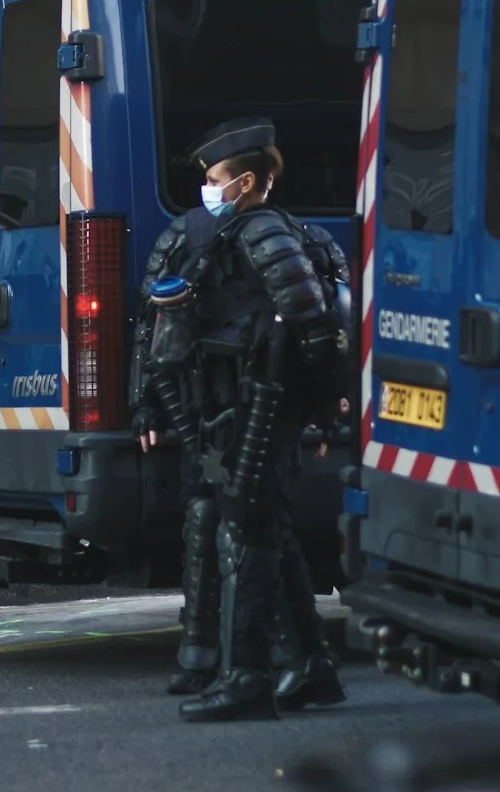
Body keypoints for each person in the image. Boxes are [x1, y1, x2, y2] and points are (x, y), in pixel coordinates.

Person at [130, 117, 348, 722]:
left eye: (215, 178)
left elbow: (313, 321)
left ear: (248, 181)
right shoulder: (235, 234)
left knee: (247, 532)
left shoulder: (264, 232)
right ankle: (310, 668)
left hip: (264, 402)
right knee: (264, 530)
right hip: (236, 403)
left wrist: (329, 406)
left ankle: (247, 677)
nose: (208, 187)